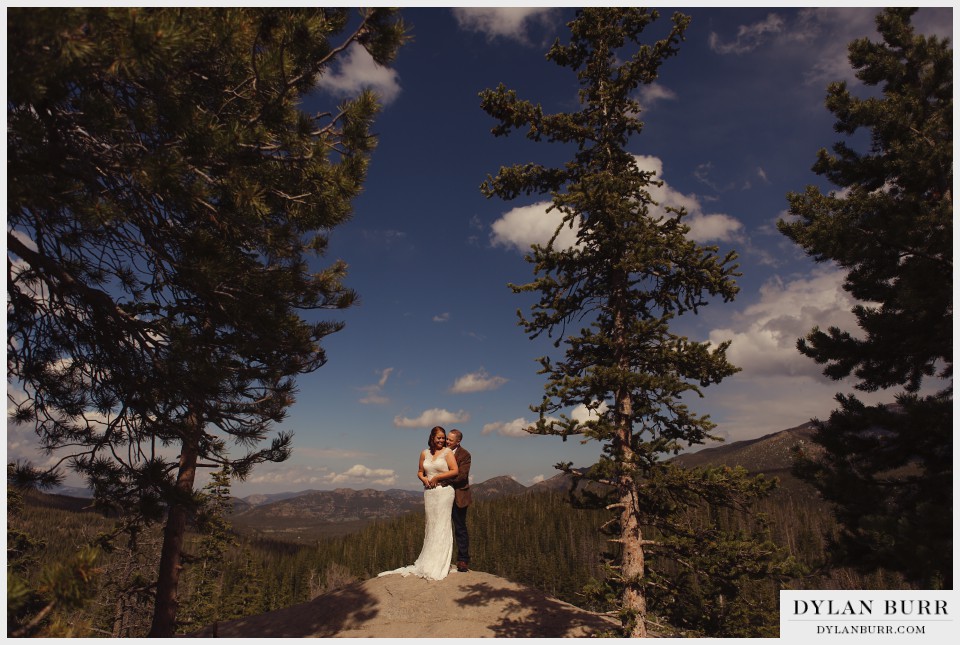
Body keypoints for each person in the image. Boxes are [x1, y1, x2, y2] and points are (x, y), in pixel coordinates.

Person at [378, 426, 459, 580]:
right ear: (432, 438)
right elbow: (420, 471)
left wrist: (437, 478)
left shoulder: (448, 453)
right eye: (439, 438)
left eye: (443, 438)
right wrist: (424, 479)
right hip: (429, 493)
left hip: (444, 492)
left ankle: (440, 563)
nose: (442, 440)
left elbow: (455, 471)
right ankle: (428, 561)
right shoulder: (424, 453)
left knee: (442, 525)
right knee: (431, 524)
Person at [445, 429, 472, 572]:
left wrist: (442, 480)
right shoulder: (442, 452)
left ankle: (463, 560)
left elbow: (461, 476)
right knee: (443, 527)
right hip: (443, 496)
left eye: (450, 440)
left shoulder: (465, 455)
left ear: (458, 441)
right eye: (447, 439)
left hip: (459, 496)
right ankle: (443, 559)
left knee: (460, 528)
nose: (447, 441)